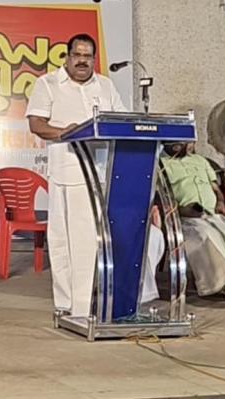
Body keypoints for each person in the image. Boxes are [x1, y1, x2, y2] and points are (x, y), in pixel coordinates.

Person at [25, 33, 164, 316]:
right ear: (67, 57)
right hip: (66, 171)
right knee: (62, 242)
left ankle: (84, 306)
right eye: (77, 55)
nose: (82, 61)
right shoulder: (48, 84)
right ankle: (67, 305)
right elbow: (36, 124)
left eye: (88, 56)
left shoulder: (105, 85)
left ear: (94, 59)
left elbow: (121, 121)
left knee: (87, 241)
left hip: (101, 174)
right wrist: (64, 132)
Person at [161, 141, 225, 308]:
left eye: (189, 141)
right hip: (184, 218)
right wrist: (181, 210)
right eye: (181, 142)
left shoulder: (200, 160)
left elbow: (216, 189)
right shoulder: (160, 164)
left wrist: (220, 202)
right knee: (205, 235)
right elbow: (161, 199)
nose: (188, 144)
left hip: (213, 214)